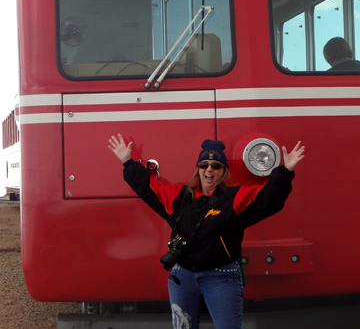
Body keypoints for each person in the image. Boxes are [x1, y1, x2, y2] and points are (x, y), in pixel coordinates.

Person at [108, 135, 305, 329]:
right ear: (198, 169)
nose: (209, 169)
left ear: (223, 171)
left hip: (221, 277)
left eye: (215, 165)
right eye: (204, 164)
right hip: (182, 277)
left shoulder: (235, 198)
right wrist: (127, 161)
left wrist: (286, 171)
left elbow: (268, 199)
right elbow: (148, 189)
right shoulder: (179, 196)